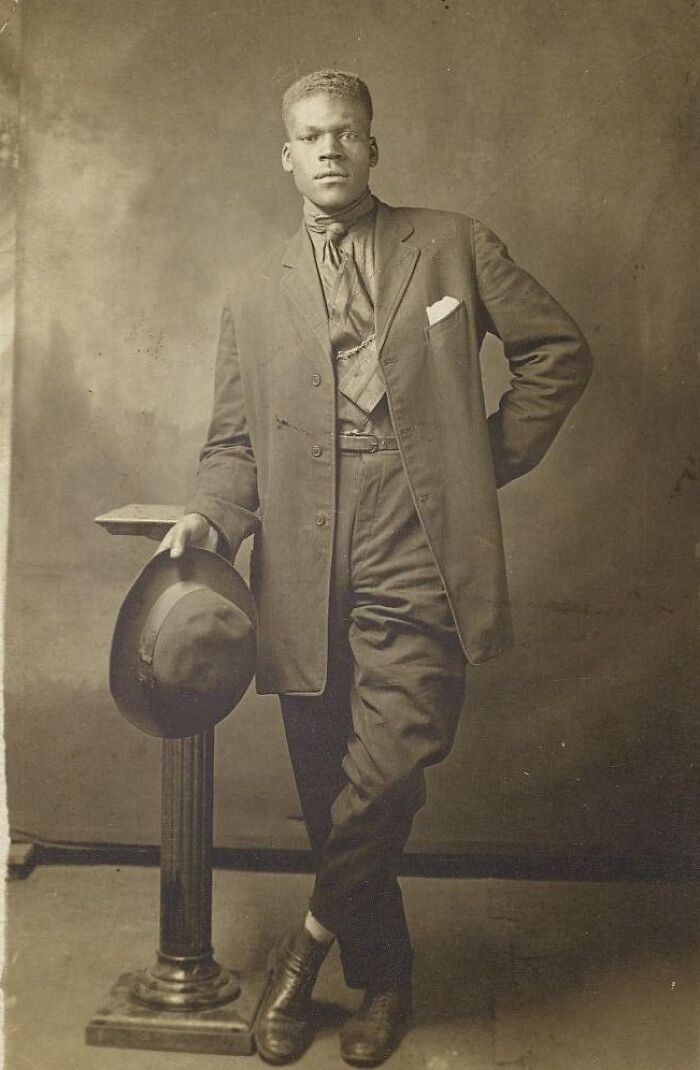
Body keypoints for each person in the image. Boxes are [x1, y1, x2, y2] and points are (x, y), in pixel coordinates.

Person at [159, 69, 592, 1066]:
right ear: (286, 156)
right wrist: (208, 518)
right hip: (301, 554)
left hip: (416, 533)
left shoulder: (450, 243)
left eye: (344, 133)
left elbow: (557, 351)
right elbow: (231, 444)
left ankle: (305, 952)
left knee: (388, 763)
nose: (327, 151)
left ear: (372, 146)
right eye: (308, 137)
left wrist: (474, 461)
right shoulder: (251, 289)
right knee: (328, 779)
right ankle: (383, 975)